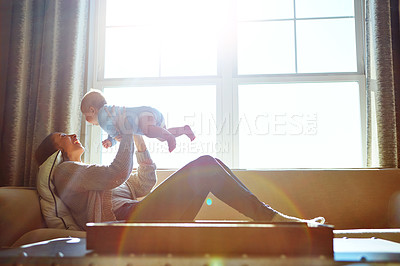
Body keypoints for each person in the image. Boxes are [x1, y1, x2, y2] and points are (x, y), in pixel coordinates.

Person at [35, 109, 325, 230]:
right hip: (128, 226)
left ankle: (275, 220)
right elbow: (116, 174)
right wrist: (125, 128)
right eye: (63, 136)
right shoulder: (65, 172)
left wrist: (136, 138)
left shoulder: (85, 171)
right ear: (55, 152)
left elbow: (144, 182)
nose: (72, 135)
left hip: (139, 213)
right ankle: (272, 218)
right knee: (206, 166)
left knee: (212, 166)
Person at [80, 89, 195, 152]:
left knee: (149, 131)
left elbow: (112, 130)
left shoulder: (101, 116)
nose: (86, 120)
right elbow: (116, 131)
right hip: (151, 114)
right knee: (160, 136)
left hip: (142, 117)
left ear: (92, 110)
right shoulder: (109, 113)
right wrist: (111, 141)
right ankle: (184, 130)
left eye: (86, 116)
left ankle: (170, 137)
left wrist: (115, 136)